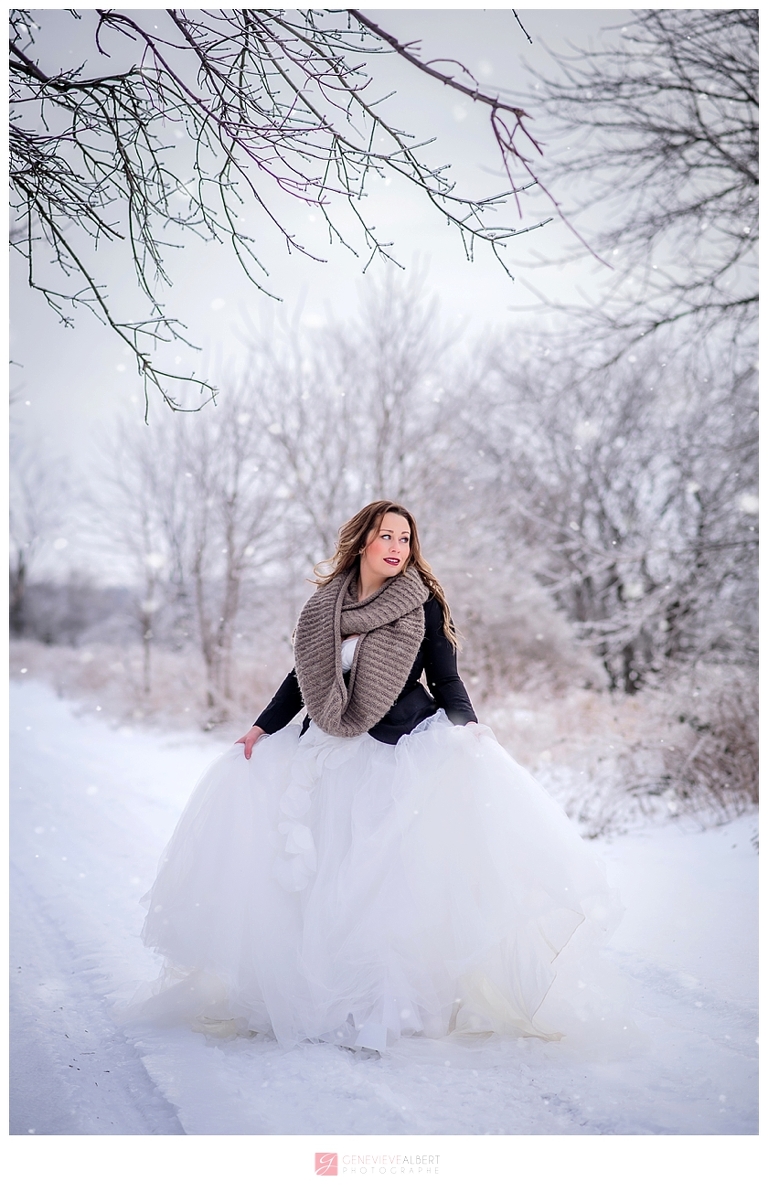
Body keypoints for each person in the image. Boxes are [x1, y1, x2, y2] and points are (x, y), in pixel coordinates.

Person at [128, 501, 628, 1054]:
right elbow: (303, 678)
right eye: (386, 536)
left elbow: (445, 678)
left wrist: (469, 728)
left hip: (395, 751)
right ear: (362, 540)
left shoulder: (423, 603)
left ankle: (380, 1001)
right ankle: (320, 992)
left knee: (378, 884)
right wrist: (260, 728)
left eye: (406, 539)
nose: (396, 547)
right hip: (328, 750)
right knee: (321, 878)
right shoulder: (324, 608)